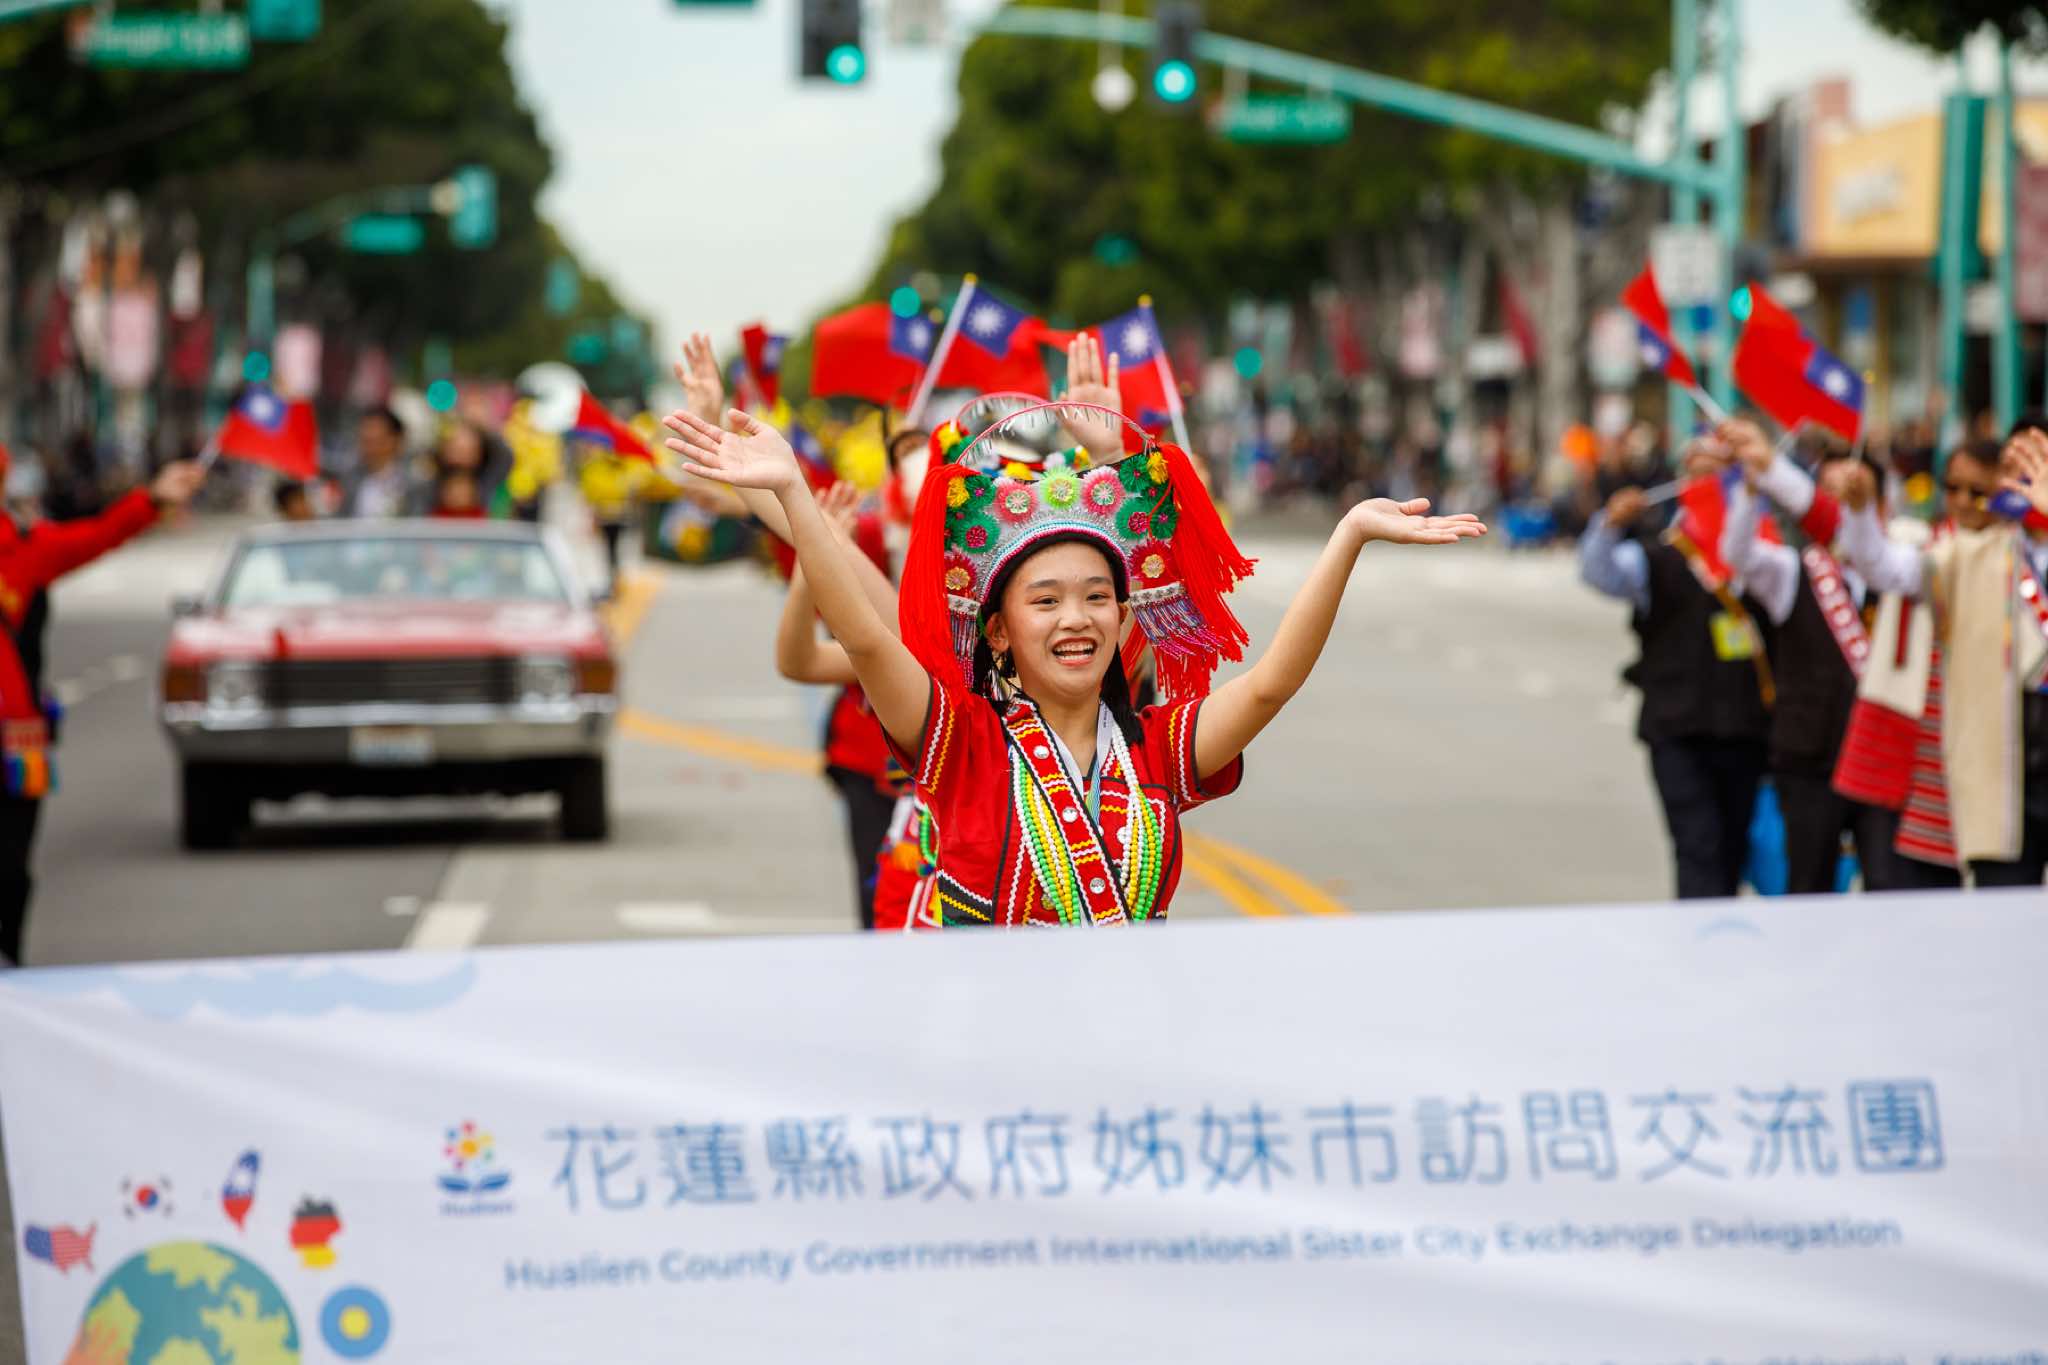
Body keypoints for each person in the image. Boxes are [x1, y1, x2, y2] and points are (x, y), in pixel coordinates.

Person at [665, 397, 1484, 927]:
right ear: (998, 631)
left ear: (1123, 616)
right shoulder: (962, 743)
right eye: (1046, 600)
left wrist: (1348, 536)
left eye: (1097, 596)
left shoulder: (1158, 748)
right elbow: (871, 639)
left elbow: (1270, 685)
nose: (1075, 618)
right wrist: (794, 496)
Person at [0, 454, 208, 965]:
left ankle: (11, 968)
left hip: (12, 745)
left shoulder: (21, 548)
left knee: (9, 871)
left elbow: (98, 535)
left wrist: (153, 499)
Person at [1828, 429, 2048, 886]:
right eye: (1953, 488)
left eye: (1978, 491)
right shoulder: (1960, 554)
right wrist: (1861, 512)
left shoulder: (2023, 550)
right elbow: (1885, 567)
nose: (1964, 502)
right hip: (2004, 779)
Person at [1718, 421, 1916, 893]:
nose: (1837, 505)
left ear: (1879, 504)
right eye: (1825, 494)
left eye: (1851, 494)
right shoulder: (1794, 571)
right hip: (1811, 761)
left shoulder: (1903, 569)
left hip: (1884, 758)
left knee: (1891, 887)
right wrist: (1751, 489)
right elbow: (1738, 555)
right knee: (1810, 886)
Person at [1580, 430, 1774, 899]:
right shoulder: (1660, 555)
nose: (1706, 485)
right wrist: (1609, 524)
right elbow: (1599, 573)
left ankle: (1724, 928)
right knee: (1697, 844)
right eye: (1696, 474)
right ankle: (1698, 935)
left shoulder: (1762, 555)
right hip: (1677, 729)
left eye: (1718, 475)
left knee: (1732, 847)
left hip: (1746, 729)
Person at [338, 407, 422, 518]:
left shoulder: (415, 481)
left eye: (375, 441)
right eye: (364, 440)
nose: (368, 448)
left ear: (395, 439)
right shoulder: (349, 479)